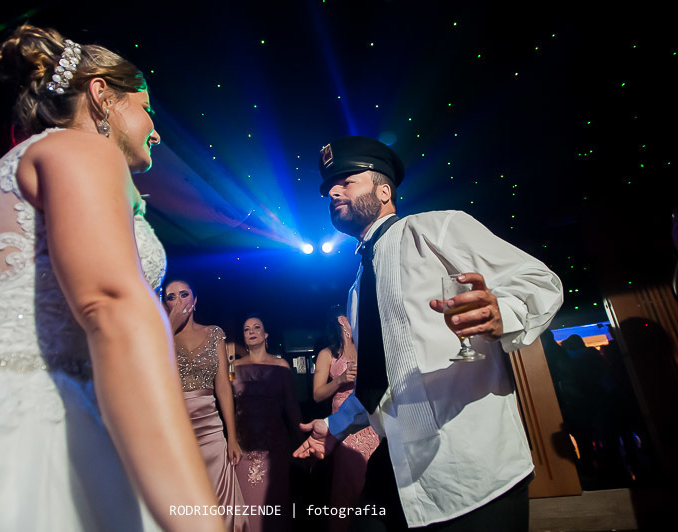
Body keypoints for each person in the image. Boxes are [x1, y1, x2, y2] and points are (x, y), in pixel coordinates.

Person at [0, 25, 223, 531]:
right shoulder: (80, 150)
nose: (156, 128)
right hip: (22, 435)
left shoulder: (18, 165)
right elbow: (111, 305)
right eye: (145, 105)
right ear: (102, 95)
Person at [293, 136, 563, 530]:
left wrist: (501, 314)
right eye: (329, 188)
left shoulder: (437, 227)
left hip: (471, 467)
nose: (333, 191)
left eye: (347, 180)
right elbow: (380, 383)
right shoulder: (357, 287)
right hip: (402, 474)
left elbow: (541, 282)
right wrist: (332, 428)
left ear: (384, 191)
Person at [163, 279, 249, 531]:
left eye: (184, 294)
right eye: (171, 297)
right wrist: (169, 325)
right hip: (175, 430)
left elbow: (223, 386)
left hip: (211, 431)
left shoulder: (214, 333)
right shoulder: (159, 335)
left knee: (219, 506)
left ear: (195, 299)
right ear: (165, 303)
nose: (179, 301)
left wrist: (231, 437)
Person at [313, 306, 380, 532]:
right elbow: (317, 394)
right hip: (344, 422)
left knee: (373, 478)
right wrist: (340, 379)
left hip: (370, 417)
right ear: (343, 320)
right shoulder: (328, 353)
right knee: (349, 480)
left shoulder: (366, 346)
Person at [233, 315, 303, 532]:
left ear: (265, 335)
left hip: (274, 447)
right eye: (246, 329)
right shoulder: (233, 366)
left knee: (275, 511)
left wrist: (301, 441)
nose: (251, 331)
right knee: (249, 511)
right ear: (244, 337)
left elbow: (291, 407)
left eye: (256, 327)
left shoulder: (280, 365)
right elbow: (228, 407)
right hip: (244, 447)